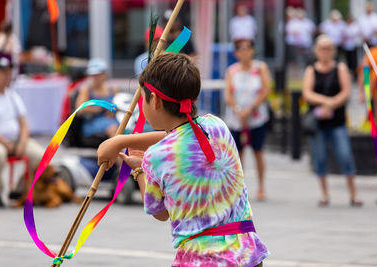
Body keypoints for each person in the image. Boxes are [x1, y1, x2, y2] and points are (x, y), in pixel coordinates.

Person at [97, 53, 268, 266]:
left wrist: (140, 169)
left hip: (203, 260)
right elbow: (181, 138)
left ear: (156, 101)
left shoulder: (155, 157)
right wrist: (121, 141)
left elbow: (160, 213)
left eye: (143, 98)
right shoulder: (216, 125)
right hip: (245, 253)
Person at [302, 35, 363, 207]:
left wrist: (331, 104)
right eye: (322, 48)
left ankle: (353, 194)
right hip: (318, 123)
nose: (325, 51)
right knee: (319, 157)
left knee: (345, 156)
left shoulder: (340, 68)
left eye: (328, 48)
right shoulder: (311, 70)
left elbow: (346, 92)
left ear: (333, 51)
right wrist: (326, 102)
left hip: (337, 121)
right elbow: (307, 93)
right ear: (316, 50)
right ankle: (324, 193)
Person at [0, 57, 44, 207]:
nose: (8, 76)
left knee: (41, 156)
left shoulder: (12, 95)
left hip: (14, 140)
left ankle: (20, 190)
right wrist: (5, 143)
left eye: (9, 72)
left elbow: (24, 123)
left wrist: (21, 143)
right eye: (4, 72)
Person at [224, 38, 271, 201]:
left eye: (247, 48)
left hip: (256, 117)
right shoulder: (232, 70)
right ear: (236, 53)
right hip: (236, 118)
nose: (244, 52)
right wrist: (238, 109)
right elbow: (228, 94)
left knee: (258, 150)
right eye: (241, 49)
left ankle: (261, 186)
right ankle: (239, 187)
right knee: (238, 153)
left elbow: (265, 89)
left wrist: (250, 109)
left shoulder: (260, 68)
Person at [75, 58, 119, 138]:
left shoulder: (113, 89)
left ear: (104, 74)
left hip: (113, 119)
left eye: (97, 75)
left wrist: (114, 111)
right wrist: (100, 109)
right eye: (92, 75)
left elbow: (120, 106)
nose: (95, 77)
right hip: (93, 121)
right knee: (113, 129)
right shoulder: (87, 89)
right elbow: (80, 109)